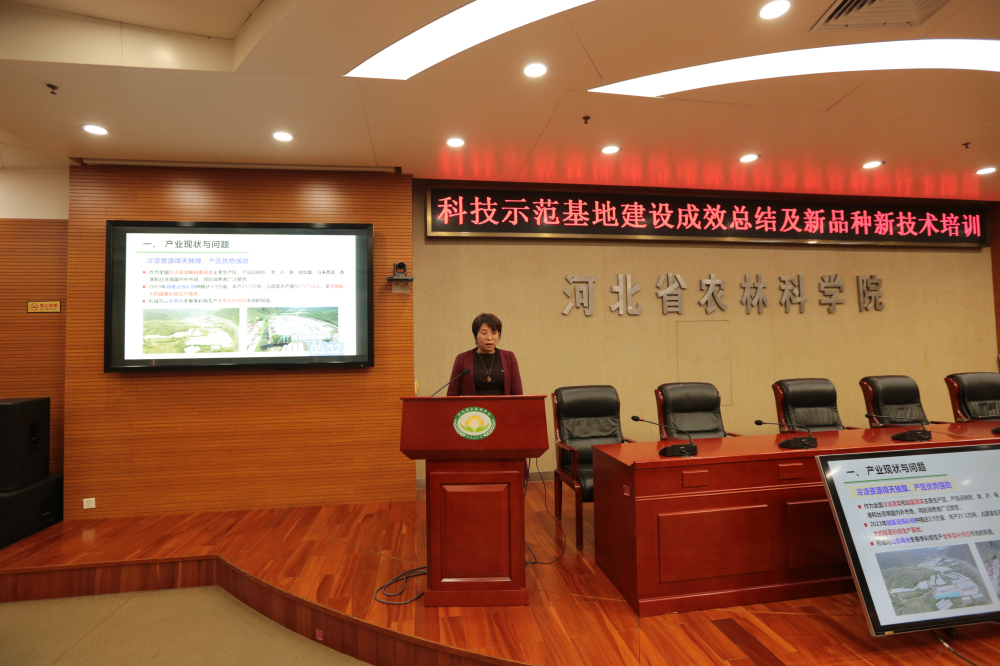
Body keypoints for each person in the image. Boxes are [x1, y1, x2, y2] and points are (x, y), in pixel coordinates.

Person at [447, 313, 523, 396]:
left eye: (494, 333)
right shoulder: (462, 358)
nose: (489, 338)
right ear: (475, 335)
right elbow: (452, 394)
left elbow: (517, 393)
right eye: (484, 333)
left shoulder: (509, 357)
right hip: (473, 405)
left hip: (503, 404)